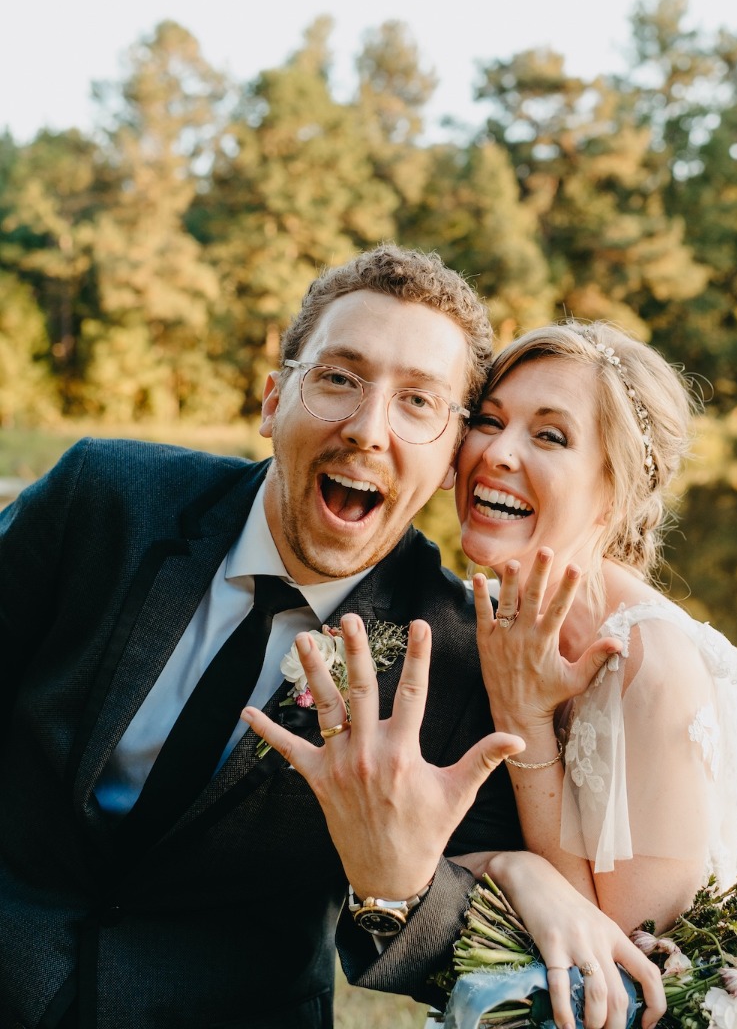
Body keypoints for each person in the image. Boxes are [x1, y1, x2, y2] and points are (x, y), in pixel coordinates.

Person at [0, 247, 663, 1029]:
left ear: (452, 457)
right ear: (274, 399)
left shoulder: (456, 651)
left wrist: (417, 876)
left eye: (419, 402)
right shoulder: (102, 499)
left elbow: (446, 924)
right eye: (340, 379)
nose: (367, 429)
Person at [454, 320, 737, 934]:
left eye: (549, 435)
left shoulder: (650, 665)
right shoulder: (487, 613)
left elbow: (633, 956)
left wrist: (523, 719)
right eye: (490, 421)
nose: (496, 452)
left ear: (614, 489)